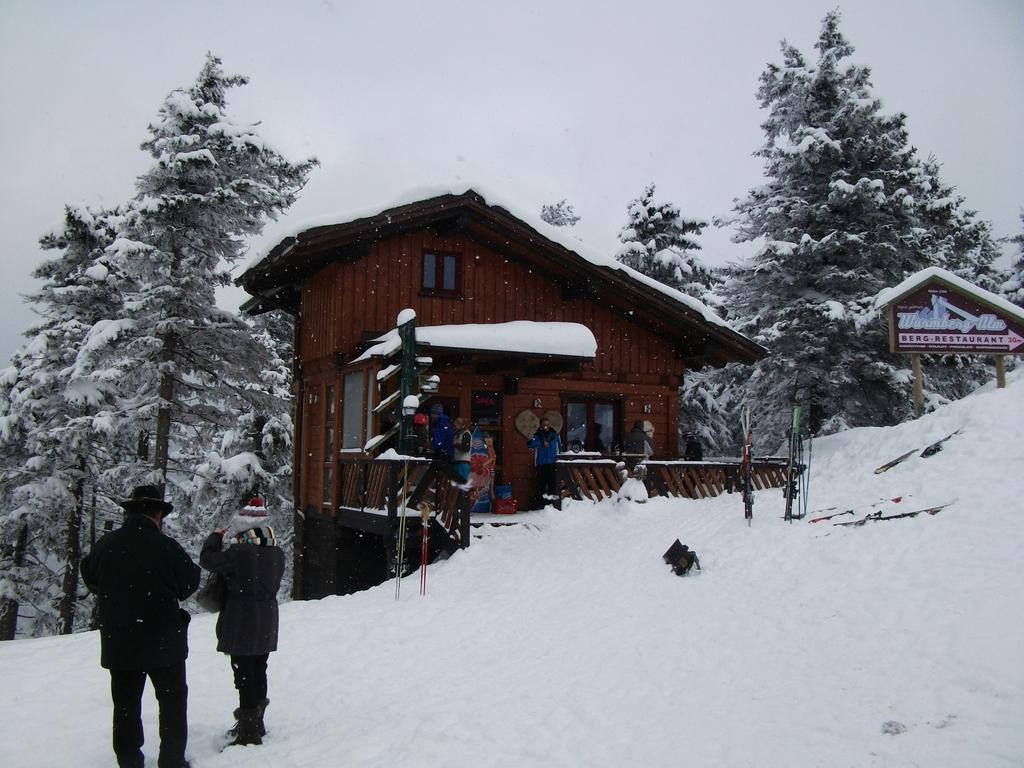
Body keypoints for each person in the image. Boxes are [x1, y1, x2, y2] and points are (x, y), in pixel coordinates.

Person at [80, 484, 201, 768]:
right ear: (158, 514)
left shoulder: (107, 544)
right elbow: (188, 583)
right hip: (163, 640)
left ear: (130, 512)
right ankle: (172, 759)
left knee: (125, 705)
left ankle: (129, 760)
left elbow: (90, 577)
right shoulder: (166, 546)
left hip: (120, 640)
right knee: (171, 703)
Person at [200, 497, 286, 747]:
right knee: (258, 669)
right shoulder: (276, 552)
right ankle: (256, 723)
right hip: (267, 620)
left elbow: (207, 559)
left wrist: (215, 538)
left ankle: (248, 734)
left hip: (242, 621)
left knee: (244, 674)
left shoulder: (240, 552)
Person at [527, 416, 562, 508]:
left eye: (547, 425)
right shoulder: (537, 436)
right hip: (541, 463)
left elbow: (560, 448)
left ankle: (551, 505)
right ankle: (540, 505)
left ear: (549, 425)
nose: (546, 426)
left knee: (552, 484)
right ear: (541, 426)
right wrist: (542, 442)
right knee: (541, 485)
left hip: (552, 463)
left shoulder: (555, 435)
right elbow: (530, 445)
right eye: (544, 425)